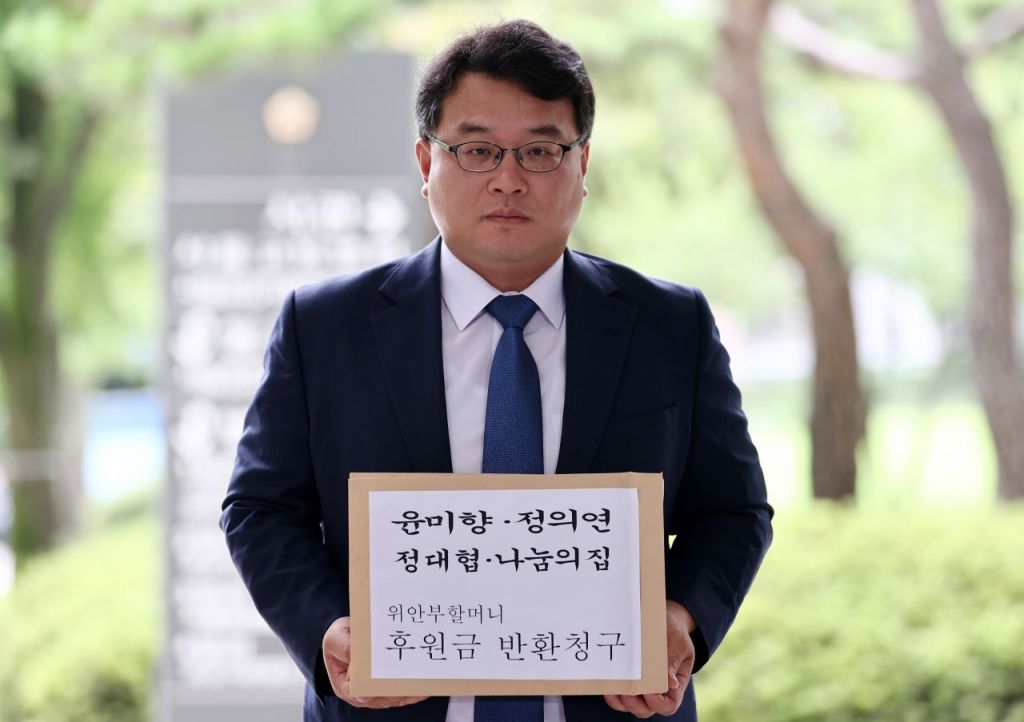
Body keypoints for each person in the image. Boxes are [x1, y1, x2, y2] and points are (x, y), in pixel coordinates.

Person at [222, 19, 772, 722]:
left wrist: (681, 617)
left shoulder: (671, 325)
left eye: (541, 151)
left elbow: (733, 511)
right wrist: (328, 627)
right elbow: (261, 509)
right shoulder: (325, 326)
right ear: (426, 163)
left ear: (582, 164)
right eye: (477, 150)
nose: (509, 180)